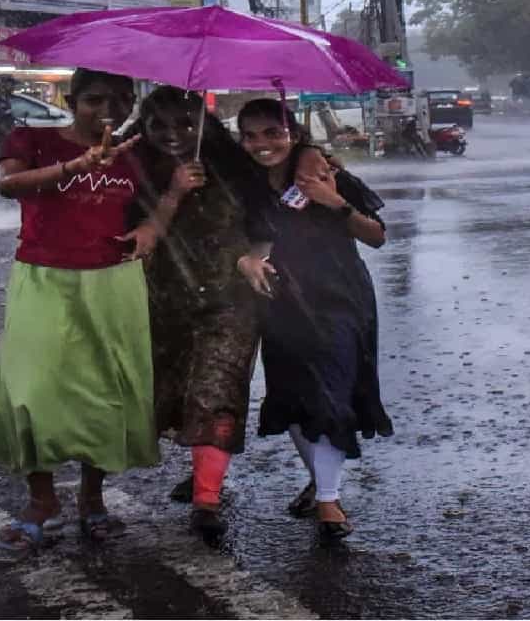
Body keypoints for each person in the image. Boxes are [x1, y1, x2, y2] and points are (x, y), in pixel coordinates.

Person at [0, 68, 168, 559]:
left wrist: (151, 229)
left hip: (113, 281)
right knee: (30, 390)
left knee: (105, 392)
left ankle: (92, 499)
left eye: (122, 99)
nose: (109, 109)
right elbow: (8, 184)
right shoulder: (31, 139)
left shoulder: (133, 153)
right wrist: (76, 165)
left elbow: (161, 205)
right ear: (71, 100)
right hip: (43, 278)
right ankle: (42, 500)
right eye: (95, 99)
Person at [234, 98, 393, 543]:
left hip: (339, 298)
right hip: (281, 301)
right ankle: (321, 483)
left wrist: (334, 201)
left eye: (273, 133)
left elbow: (377, 236)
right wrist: (248, 260)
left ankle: (328, 499)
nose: (263, 144)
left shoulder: (325, 174)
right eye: (251, 136)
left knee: (331, 395)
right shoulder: (244, 185)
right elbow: (249, 241)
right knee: (293, 399)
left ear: (294, 134)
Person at [129, 86, 261, 542]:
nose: (172, 134)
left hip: (230, 301)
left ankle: (207, 499)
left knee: (217, 389)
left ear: (205, 125)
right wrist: (174, 191)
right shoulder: (131, 170)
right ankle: (202, 473)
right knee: (175, 393)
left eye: (186, 124)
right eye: (159, 125)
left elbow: (271, 213)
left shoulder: (236, 166)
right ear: (143, 127)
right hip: (165, 301)